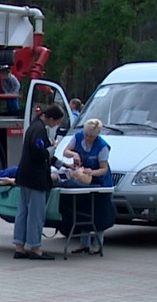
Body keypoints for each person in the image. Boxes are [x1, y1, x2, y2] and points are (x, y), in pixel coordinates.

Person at [13, 104, 67, 260]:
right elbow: (40, 154)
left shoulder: (33, 127)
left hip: (24, 176)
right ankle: (35, 247)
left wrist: (63, 164)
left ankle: (19, 246)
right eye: (56, 122)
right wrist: (53, 148)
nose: (56, 125)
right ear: (50, 118)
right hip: (35, 178)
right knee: (36, 214)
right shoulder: (39, 130)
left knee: (23, 212)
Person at [63, 118, 114, 253]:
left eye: (91, 136)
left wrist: (92, 171)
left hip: (100, 182)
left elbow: (103, 169)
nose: (88, 138)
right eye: (86, 135)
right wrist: (74, 154)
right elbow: (65, 151)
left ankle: (97, 244)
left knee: (99, 212)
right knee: (84, 208)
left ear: (97, 135)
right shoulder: (78, 136)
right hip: (85, 181)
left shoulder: (102, 146)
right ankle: (84, 243)